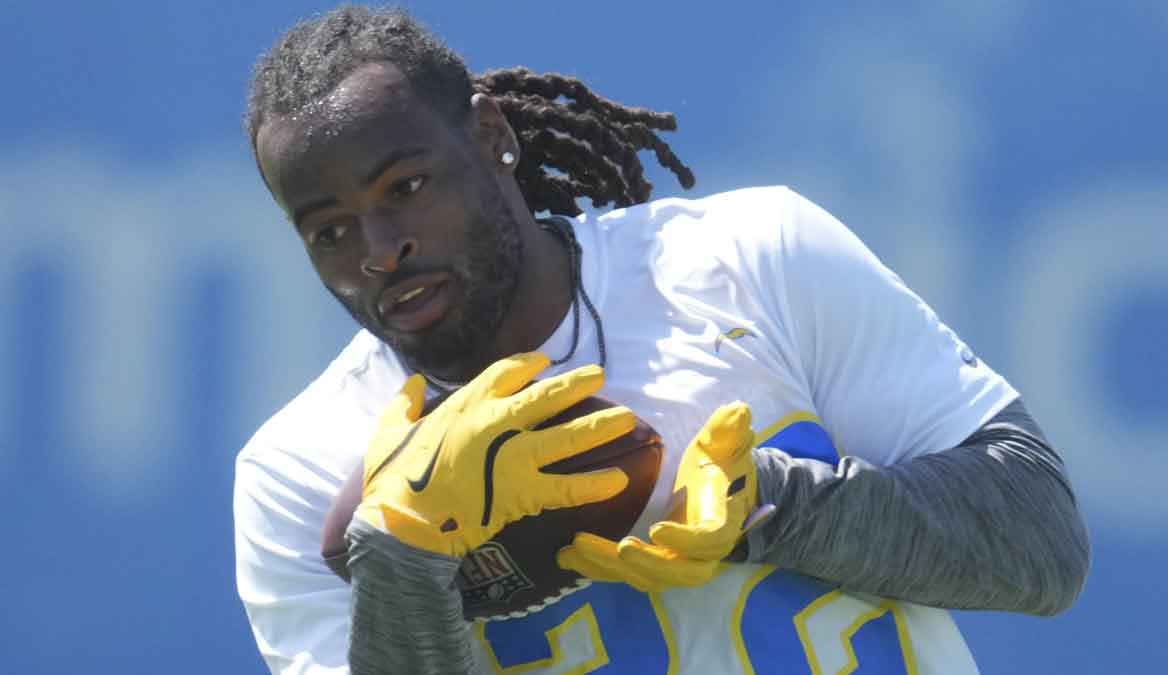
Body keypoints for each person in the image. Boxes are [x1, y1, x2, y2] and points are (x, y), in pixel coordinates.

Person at [233, 6, 1091, 674]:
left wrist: (775, 504)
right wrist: (404, 554)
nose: (380, 250)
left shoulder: (752, 257)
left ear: (492, 136)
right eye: (329, 231)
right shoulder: (297, 474)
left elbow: (1041, 544)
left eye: (406, 186)